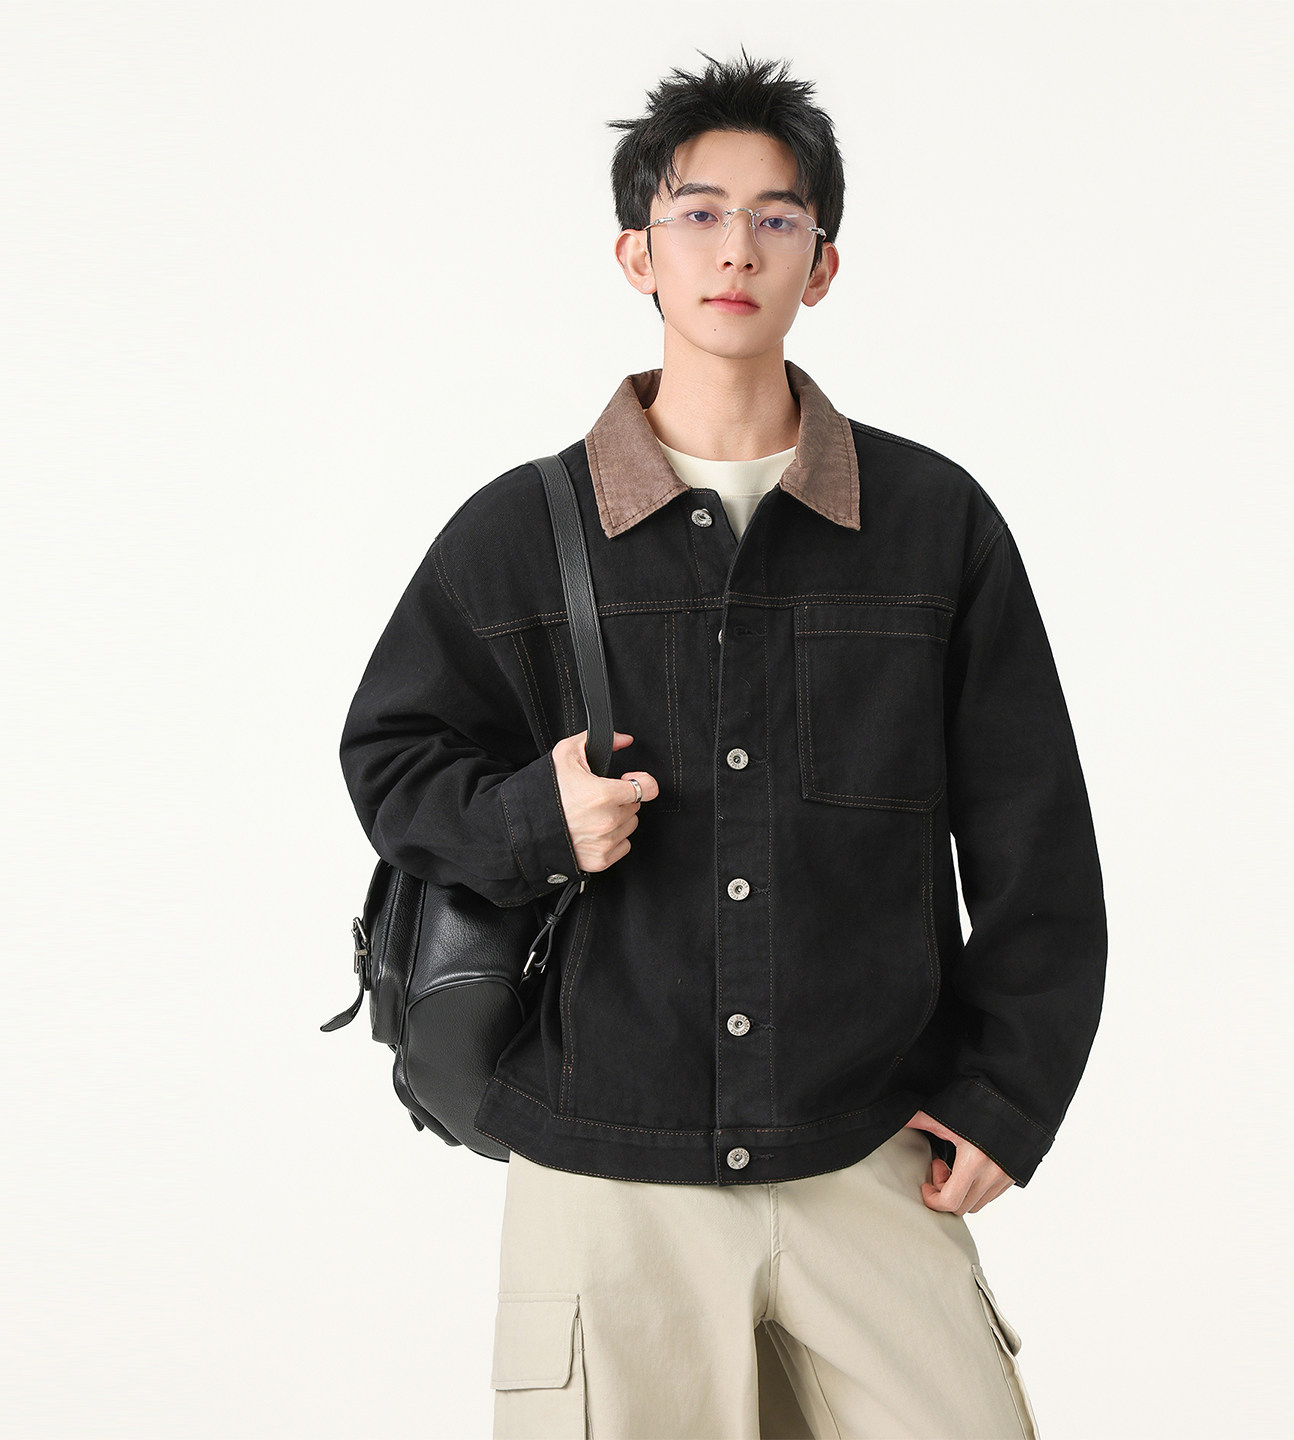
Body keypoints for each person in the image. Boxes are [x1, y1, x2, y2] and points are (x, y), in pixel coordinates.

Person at [339, 46, 1106, 1440]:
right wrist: (531, 821)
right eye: (696, 213)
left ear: (824, 263)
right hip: (606, 1179)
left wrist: (1010, 1091)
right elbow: (390, 758)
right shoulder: (522, 531)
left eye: (775, 217)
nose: (735, 248)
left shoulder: (933, 526)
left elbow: (1034, 835)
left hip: (872, 1151)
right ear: (636, 253)